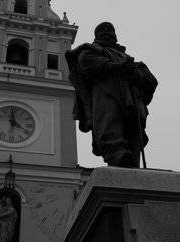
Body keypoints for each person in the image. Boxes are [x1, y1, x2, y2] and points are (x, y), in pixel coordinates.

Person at [65, 22, 158, 168]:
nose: (106, 31)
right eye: (102, 30)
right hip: (105, 90)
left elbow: (150, 80)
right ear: (96, 36)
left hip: (131, 96)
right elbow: (85, 62)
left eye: (110, 29)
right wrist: (115, 67)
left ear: (115, 35)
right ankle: (116, 153)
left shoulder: (127, 57)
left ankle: (132, 159)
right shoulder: (91, 49)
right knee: (108, 121)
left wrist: (136, 73)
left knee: (134, 129)